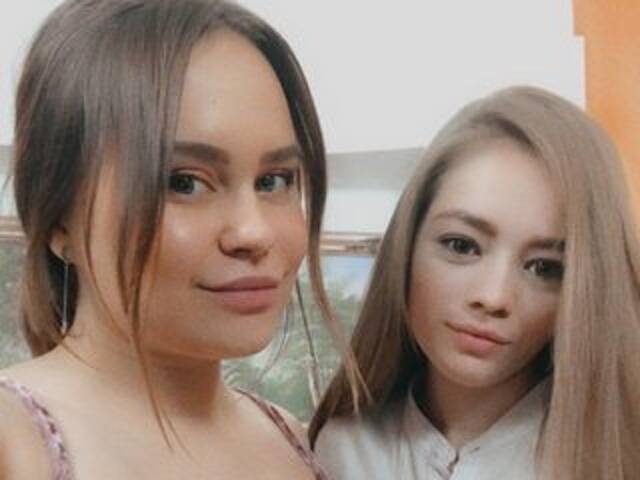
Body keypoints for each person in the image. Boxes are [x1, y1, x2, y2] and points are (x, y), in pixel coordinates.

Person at [0, 1, 358, 478]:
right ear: (59, 220)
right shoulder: (13, 443)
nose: (253, 232)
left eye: (275, 180)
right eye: (184, 183)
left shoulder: (287, 439)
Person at [311, 86, 640, 480]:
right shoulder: (343, 451)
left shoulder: (618, 456)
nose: (493, 296)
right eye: (461, 246)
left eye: (544, 268)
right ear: (406, 244)